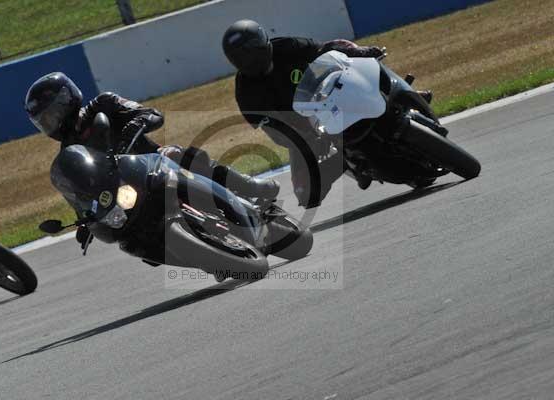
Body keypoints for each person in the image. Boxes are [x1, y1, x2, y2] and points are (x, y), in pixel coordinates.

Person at [25, 72, 279, 248]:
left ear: (67, 100)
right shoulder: (70, 152)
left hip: (154, 164)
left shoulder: (104, 104)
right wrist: (86, 220)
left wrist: (138, 122)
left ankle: (248, 186)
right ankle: (208, 250)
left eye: (53, 114)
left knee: (177, 153)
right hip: (126, 195)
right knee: (132, 236)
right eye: (44, 122)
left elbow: (149, 114)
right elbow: (81, 192)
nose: (52, 123)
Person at [222, 20, 433, 208]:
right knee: (306, 195)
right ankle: (346, 162)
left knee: (367, 62)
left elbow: (327, 49)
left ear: (263, 43)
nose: (249, 59)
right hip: (305, 125)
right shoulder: (246, 92)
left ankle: (405, 93)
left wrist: (359, 51)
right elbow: (272, 129)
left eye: (251, 51)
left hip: (330, 92)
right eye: (241, 57)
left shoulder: (285, 46)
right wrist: (302, 140)